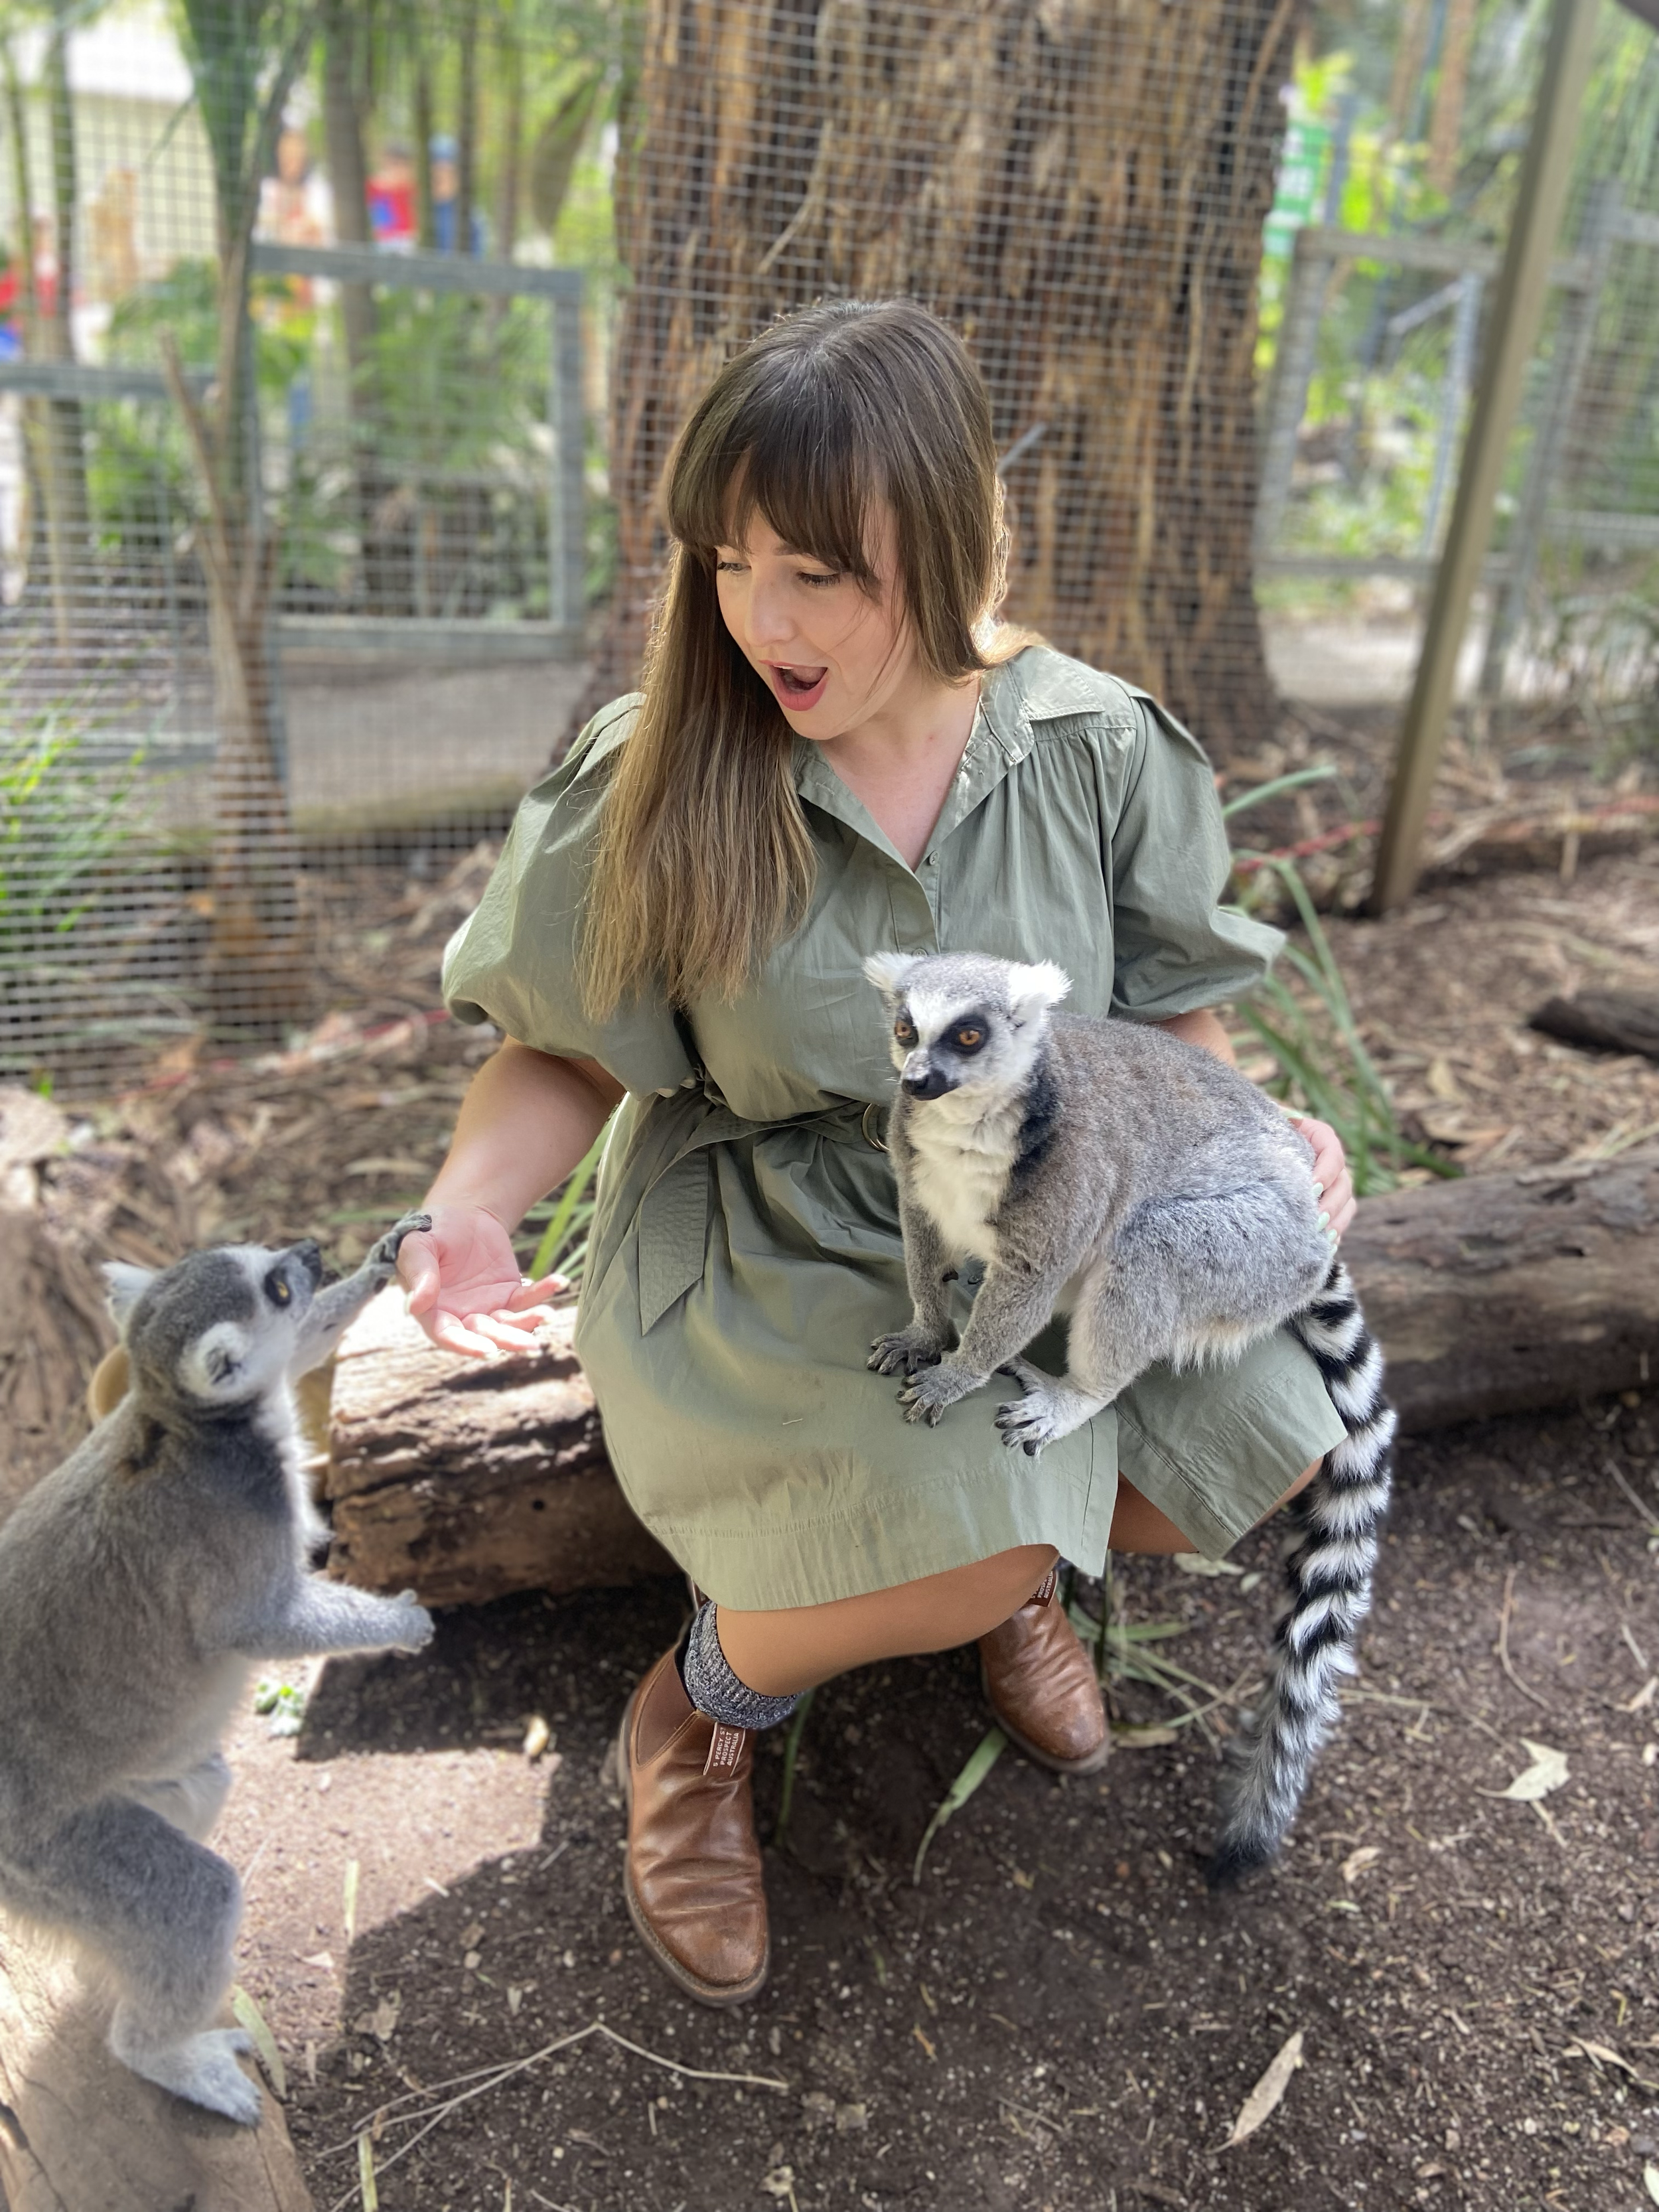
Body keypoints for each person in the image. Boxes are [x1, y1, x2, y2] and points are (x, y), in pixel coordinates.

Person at [401, 298, 1357, 2008]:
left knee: (1277, 1428)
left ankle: (978, 1567)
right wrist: (472, 1210)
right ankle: (707, 1701)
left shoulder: (1096, 747)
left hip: (1044, 1196)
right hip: (771, 1218)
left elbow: (1174, 1007)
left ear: (953, 529)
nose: (761, 618)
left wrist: (1257, 1130)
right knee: (981, 1532)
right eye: (726, 562)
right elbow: (560, 1041)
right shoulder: (668, 770)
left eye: (820, 571)